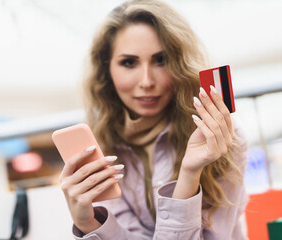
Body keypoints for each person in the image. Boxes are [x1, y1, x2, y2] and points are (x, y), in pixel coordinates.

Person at [59, 0, 248, 239]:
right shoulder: (104, 145)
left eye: (161, 60)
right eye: (129, 62)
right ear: (107, 70)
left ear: (180, 64)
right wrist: (88, 223)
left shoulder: (220, 140)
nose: (147, 81)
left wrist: (190, 173)